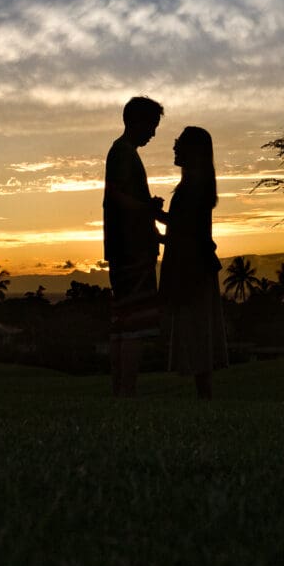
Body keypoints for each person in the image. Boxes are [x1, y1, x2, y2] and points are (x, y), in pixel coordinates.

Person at [103, 94, 167, 396]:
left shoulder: (124, 153)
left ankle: (121, 392)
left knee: (124, 322)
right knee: (134, 325)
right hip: (131, 250)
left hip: (128, 246)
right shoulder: (122, 153)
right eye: (152, 126)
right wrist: (146, 210)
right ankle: (126, 391)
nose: (153, 133)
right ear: (137, 122)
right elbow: (117, 197)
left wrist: (150, 219)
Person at [161, 125, 229, 398]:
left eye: (179, 143)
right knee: (197, 331)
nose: (175, 147)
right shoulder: (195, 185)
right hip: (196, 267)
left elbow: (183, 230)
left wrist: (153, 217)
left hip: (193, 269)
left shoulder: (194, 186)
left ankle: (206, 398)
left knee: (197, 332)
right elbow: (183, 229)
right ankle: (205, 398)